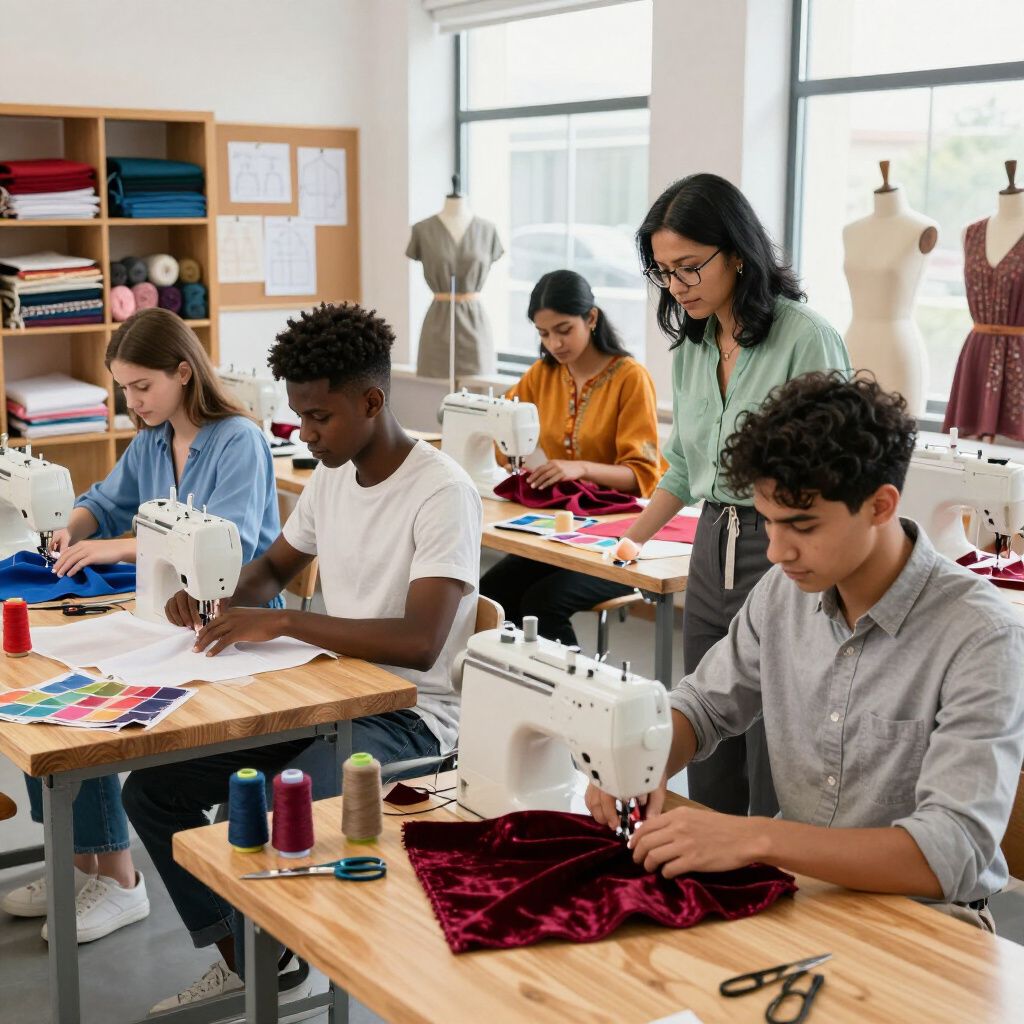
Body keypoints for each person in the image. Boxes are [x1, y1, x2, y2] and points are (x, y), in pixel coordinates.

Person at [121, 302, 482, 1014]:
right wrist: (214, 597)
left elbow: (420, 640)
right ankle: (256, 961)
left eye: (319, 417)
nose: (305, 433)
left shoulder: (443, 493)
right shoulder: (332, 476)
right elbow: (270, 569)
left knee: (289, 798)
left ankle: (315, 960)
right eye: (299, 416)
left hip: (411, 718)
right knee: (150, 789)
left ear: (372, 401)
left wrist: (285, 620)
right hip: (330, 697)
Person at [588, 373, 1024, 931]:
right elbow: (702, 707)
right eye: (768, 522)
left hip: (927, 924)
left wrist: (757, 837)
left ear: (880, 506)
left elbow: (952, 849)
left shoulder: (980, 635)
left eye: (801, 526)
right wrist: (638, 759)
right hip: (796, 898)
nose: (776, 550)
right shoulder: (783, 591)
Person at [1, 308, 280, 944]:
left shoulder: (239, 440)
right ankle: (81, 864)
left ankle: (121, 879)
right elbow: (104, 501)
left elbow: (224, 544)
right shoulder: (152, 440)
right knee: (42, 682)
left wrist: (114, 548)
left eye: (142, 387)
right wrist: (70, 526)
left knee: (90, 699)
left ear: (184, 372)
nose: (133, 401)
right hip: (167, 615)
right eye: (124, 388)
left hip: (233, 622)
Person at [613, 173, 851, 817]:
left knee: (778, 734)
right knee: (706, 723)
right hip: (711, 541)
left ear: (738, 253)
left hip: (783, 544)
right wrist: (629, 540)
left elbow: (839, 470)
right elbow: (685, 467)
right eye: (664, 272)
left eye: (690, 267)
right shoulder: (692, 345)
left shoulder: (805, 336)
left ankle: (778, 876)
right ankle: (714, 879)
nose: (677, 286)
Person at [481, 269, 667, 646]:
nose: (555, 343)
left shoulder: (630, 378)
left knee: (543, 603)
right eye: (544, 334)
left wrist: (580, 468)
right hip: (558, 531)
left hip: (617, 534)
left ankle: (573, 699)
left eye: (564, 330)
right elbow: (503, 432)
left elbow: (643, 475)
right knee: (489, 593)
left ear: (591, 318)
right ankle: (518, 688)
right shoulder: (541, 375)